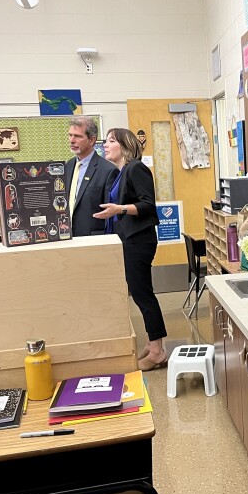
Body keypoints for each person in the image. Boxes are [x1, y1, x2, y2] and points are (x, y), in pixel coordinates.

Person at [93, 128, 168, 371]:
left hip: (140, 239)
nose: (106, 144)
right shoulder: (119, 173)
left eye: (111, 140)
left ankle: (157, 351)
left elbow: (147, 205)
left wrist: (120, 209)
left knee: (142, 293)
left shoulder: (136, 168)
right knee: (139, 293)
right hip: (128, 239)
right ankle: (153, 341)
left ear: (125, 145)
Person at [65, 116, 118, 237]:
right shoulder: (68, 166)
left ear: (92, 140)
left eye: (78, 136)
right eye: (70, 135)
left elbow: (111, 214)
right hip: (68, 237)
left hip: (94, 239)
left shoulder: (108, 170)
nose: (72, 140)